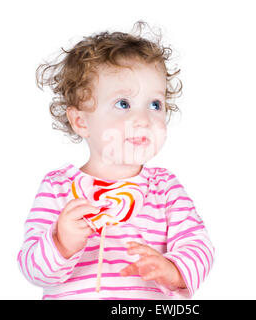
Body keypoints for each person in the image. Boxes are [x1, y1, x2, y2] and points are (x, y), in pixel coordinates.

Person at [17, 21, 214, 299]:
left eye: (155, 104)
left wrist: (173, 269)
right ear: (81, 121)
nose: (144, 119)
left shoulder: (166, 188)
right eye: (123, 104)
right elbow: (32, 269)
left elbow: (198, 244)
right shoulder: (58, 188)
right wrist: (61, 242)